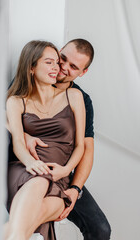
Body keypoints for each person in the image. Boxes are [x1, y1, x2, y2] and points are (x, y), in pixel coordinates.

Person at [24, 39, 111, 240]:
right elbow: (1, 114)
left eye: (73, 67)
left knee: (100, 229)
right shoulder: (31, 77)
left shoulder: (81, 99)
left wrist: (74, 189)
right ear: (59, 50)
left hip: (63, 171)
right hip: (27, 166)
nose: (63, 67)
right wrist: (25, 136)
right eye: (63, 58)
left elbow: (86, 148)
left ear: (83, 72)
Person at [5, 40, 86, 240]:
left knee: (27, 223)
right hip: (26, 169)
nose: (57, 68)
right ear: (31, 67)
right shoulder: (16, 101)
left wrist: (67, 171)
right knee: (39, 181)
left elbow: (80, 145)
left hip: (60, 177)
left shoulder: (74, 96)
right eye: (49, 62)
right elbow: (17, 142)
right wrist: (31, 162)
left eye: (57, 63)